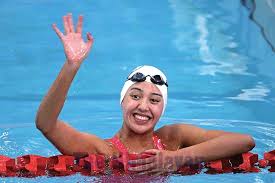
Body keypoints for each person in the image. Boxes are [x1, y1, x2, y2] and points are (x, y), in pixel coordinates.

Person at [35, 13, 255, 175]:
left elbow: (244, 141)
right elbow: (46, 124)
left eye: (154, 100)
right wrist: (71, 66)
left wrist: (176, 158)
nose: (143, 106)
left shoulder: (172, 140)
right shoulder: (104, 151)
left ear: (162, 108)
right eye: (135, 96)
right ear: (122, 101)